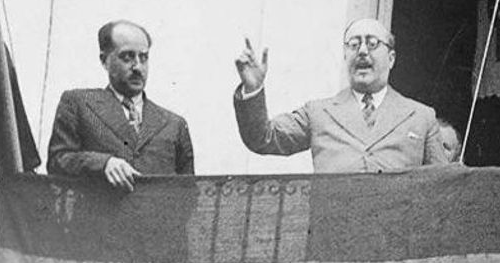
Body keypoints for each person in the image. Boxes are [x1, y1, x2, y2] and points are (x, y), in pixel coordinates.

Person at [233, 18, 450, 172]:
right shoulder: (318, 113)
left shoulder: (421, 117)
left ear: (391, 58)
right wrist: (253, 90)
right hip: (333, 233)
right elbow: (263, 138)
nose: (362, 51)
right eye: (354, 44)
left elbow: (441, 189)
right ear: (345, 55)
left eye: (372, 43)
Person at [47, 19, 194, 190]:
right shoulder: (78, 103)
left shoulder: (175, 125)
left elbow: (187, 195)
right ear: (104, 60)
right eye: (127, 57)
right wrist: (103, 164)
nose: (138, 67)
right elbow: (58, 161)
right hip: (98, 216)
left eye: (144, 57)